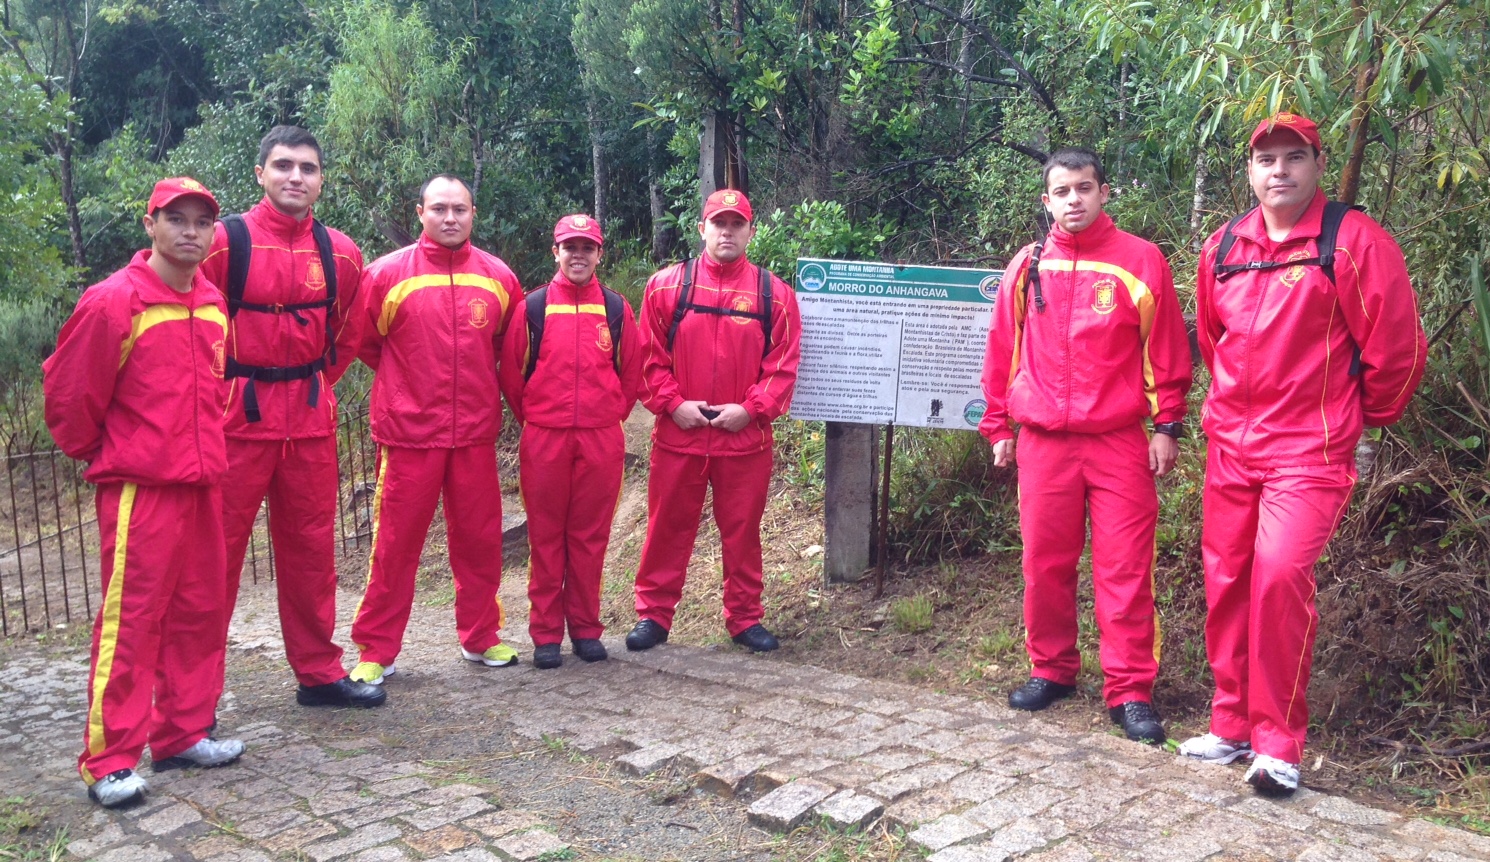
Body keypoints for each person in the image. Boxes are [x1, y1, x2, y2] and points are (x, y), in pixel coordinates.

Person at [1183, 112, 1426, 794]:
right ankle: (1232, 725)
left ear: (1319, 164)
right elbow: (1213, 339)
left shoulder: (1354, 241)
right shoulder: (1223, 245)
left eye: (1294, 157)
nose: (1280, 170)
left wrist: (1354, 420)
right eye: (1267, 159)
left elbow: (1397, 351)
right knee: (1227, 580)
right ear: (1250, 171)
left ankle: (1277, 745)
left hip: (1308, 452)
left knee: (1279, 578)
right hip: (1232, 446)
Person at [978, 147, 1192, 744]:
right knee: (1044, 563)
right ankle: (1052, 670)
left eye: (1084, 188)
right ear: (1046, 200)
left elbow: (1165, 351)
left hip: (1118, 441)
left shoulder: (1141, 260)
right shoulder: (1027, 265)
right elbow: (1003, 351)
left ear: (1103, 193)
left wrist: (1167, 426)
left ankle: (1130, 689)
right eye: (1062, 191)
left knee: (1125, 568)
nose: (1074, 200)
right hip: (1043, 442)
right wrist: (998, 427)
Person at [44, 178, 246, 808]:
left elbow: (218, 390)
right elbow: (70, 398)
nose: (191, 232)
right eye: (176, 219)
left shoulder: (211, 302)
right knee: (131, 621)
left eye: (202, 222)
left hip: (203, 484)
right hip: (141, 491)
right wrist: (116, 455)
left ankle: (184, 733)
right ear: (150, 224)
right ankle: (109, 760)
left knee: (200, 612)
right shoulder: (114, 301)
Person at [198, 126, 382, 709]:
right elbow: (191, 324)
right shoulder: (222, 244)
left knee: (311, 553)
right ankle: (192, 701)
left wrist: (312, 386)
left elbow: (347, 334)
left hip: (308, 424)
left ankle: (320, 674)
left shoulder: (342, 253)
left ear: (321, 179)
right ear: (261, 174)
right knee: (213, 558)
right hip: (234, 423)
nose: (295, 177)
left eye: (307, 168)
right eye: (283, 166)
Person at [350, 174, 523, 681]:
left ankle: (481, 636)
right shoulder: (386, 275)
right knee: (394, 547)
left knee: (480, 543)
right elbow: (365, 343)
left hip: (474, 434)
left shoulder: (498, 277)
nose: (450, 218)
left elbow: (506, 347)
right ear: (420, 212)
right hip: (408, 436)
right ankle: (376, 650)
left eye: (460, 209)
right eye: (440, 209)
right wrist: (407, 385)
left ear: (473, 215)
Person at [625, 189, 802, 654]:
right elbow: (647, 358)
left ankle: (744, 618)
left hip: (744, 440)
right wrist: (672, 404)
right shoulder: (665, 286)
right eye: (718, 223)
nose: (727, 231)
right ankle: (653, 615)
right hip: (679, 435)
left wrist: (751, 410)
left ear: (751, 231)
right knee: (666, 528)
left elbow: (782, 368)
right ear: (701, 228)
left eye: (736, 223)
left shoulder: (775, 295)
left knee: (742, 533)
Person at [499, 215, 642, 669]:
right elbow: (512, 376)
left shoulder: (616, 308)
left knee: (589, 538)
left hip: (601, 440)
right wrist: (541, 418)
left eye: (587, 247)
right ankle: (545, 635)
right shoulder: (533, 306)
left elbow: (632, 373)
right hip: (545, 438)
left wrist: (605, 415)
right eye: (570, 247)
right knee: (545, 539)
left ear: (599, 254)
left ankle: (585, 629)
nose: (578, 255)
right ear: (555, 252)